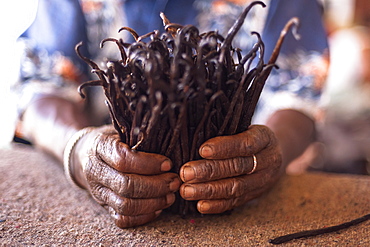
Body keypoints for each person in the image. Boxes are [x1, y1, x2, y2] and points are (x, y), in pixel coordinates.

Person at [11, 0, 329, 228]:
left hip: (236, 205)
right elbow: (42, 89)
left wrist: (271, 151)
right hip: (112, 203)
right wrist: (78, 148)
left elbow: (296, 96)